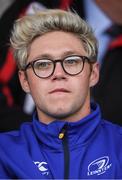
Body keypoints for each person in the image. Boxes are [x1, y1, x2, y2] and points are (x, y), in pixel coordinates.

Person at [0, 9, 122, 179]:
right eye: (43, 64)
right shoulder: (3, 154)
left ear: (93, 73)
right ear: (25, 81)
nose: (58, 73)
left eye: (71, 61)